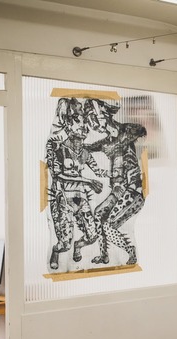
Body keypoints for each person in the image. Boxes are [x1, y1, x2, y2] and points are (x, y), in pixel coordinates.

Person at [84, 99, 147, 265]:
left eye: (94, 117)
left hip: (132, 190)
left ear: (105, 115)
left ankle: (130, 251)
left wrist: (120, 139)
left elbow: (142, 130)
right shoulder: (106, 142)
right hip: (118, 191)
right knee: (98, 214)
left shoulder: (124, 130)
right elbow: (87, 147)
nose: (93, 123)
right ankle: (104, 255)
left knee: (109, 225)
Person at [46, 97, 106, 270]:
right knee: (64, 244)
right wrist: (86, 181)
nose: (82, 128)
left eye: (83, 124)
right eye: (77, 123)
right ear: (69, 130)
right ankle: (56, 250)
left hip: (81, 199)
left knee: (93, 236)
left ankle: (78, 246)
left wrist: (113, 174)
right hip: (63, 199)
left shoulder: (85, 153)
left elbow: (98, 171)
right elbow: (58, 175)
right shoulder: (58, 148)